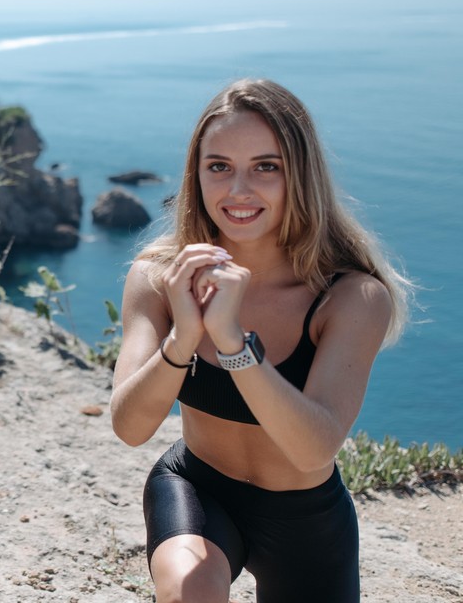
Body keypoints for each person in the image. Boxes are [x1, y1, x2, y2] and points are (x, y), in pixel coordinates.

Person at [109, 78, 411, 602]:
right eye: (219, 166)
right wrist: (185, 337)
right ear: (196, 173)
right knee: (190, 592)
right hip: (197, 489)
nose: (238, 190)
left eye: (265, 167)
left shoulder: (351, 297)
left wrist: (231, 342)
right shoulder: (159, 277)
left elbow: (313, 448)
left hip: (306, 517)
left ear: (300, 175)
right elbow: (130, 427)